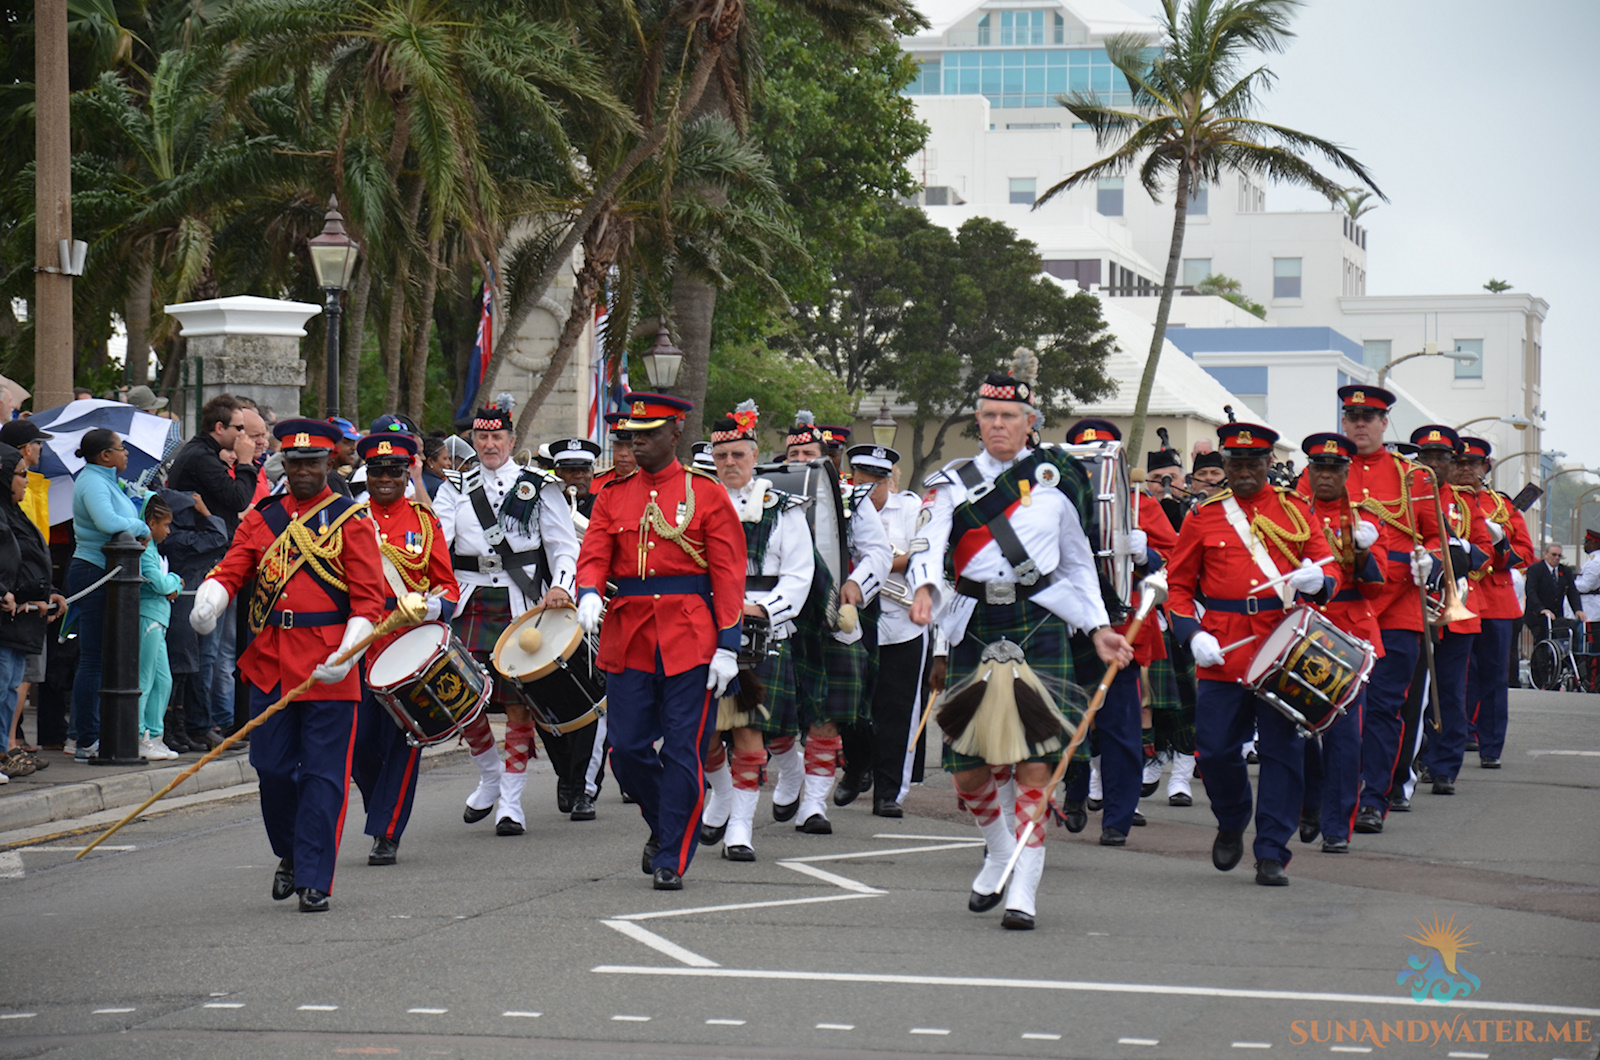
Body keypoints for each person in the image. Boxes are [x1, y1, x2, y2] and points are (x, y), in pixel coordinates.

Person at [908, 371, 1134, 929]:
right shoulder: (950, 484)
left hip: (1042, 621)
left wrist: (1099, 626)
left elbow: (1078, 565)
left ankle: (1024, 889)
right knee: (966, 769)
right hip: (974, 620)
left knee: (1038, 767)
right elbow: (927, 546)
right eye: (988, 416)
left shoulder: (1057, 483)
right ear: (978, 421)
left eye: (1009, 416)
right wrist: (923, 590)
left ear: (1030, 422)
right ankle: (1001, 847)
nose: (998, 425)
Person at [189, 418, 386, 913]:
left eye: (312, 463)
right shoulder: (263, 517)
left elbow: (369, 603)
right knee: (271, 769)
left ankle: (315, 877)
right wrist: (210, 600)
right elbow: (232, 567)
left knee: (323, 776)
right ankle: (293, 853)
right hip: (272, 660)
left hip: (329, 663)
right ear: (284, 464)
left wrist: (348, 654)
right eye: (294, 462)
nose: (302, 471)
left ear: (329, 464)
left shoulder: (352, 521)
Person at [574, 392, 745, 890]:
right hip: (629, 631)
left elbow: (729, 573)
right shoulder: (612, 493)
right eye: (630, 437)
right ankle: (665, 824)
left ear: (675, 433)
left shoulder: (706, 493)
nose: (636, 445)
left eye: (647, 435)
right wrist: (587, 591)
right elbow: (595, 551)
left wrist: (728, 644)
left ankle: (671, 853)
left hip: (691, 633)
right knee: (626, 749)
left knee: (682, 752)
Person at [1166, 421, 1334, 887]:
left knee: (1282, 753)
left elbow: (1327, 566)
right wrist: (1190, 633)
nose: (1244, 471)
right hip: (1223, 647)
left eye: (1253, 463)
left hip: (1283, 644)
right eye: (1235, 463)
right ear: (1224, 465)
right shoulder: (1204, 515)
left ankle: (1271, 849)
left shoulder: (1296, 510)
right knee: (1216, 750)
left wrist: (1318, 582)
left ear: (1267, 465)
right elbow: (1177, 586)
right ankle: (1232, 817)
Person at [434, 404, 581, 832]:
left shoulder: (539, 486)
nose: (489, 445)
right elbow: (438, 543)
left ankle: (511, 804)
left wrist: (563, 586)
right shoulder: (455, 486)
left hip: (522, 604)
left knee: (520, 707)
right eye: (482, 438)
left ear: (511, 441)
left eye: (497, 438)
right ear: (474, 441)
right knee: (466, 700)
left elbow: (562, 545)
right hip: (469, 600)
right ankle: (490, 775)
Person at [1321, 386, 1443, 836]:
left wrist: (1428, 557)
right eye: (1352, 415)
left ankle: (1374, 798)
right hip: (1342, 606)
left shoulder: (1415, 479)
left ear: (1384, 422)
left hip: (1399, 612)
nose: (1359, 424)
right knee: (1332, 707)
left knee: (1384, 711)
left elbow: (1434, 536)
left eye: (1369, 416)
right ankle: (1334, 793)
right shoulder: (1325, 469)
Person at [1054, 420, 1177, 847]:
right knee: (1067, 719)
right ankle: (1073, 796)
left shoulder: (1139, 503)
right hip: (1061, 626)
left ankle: (1118, 819)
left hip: (1122, 628)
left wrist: (1148, 554)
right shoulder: (1046, 497)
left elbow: (1175, 567)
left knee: (1121, 728)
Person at [700, 403, 814, 859]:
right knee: (704, 731)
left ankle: (741, 827)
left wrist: (759, 611)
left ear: (754, 456)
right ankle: (722, 794)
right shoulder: (697, 505)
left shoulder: (783, 508)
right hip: (705, 627)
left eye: (738, 455)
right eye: (722, 455)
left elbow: (799, 575)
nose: (730, 463)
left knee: (749, 732)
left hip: (763, 629)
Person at [349, 431, 461, 866]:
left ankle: (387, 830)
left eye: (394, 472)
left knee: (402, 741)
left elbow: (447, 585)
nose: (385, 479)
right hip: (361, 644)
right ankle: (379, 802)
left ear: (406, 473)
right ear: (366, 474)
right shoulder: (349, 519)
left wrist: (430, 606)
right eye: (377, 471)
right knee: (357, 744)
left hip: (408, 648)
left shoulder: (423, 521)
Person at [784, 412, 891, 833]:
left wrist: (855, 584)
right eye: (794, 452)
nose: (801, 459)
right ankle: (791, 772)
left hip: (832, 614)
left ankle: (814, 804)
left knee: (827, 713)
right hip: (781, 615)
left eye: (809, 452)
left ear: (827, 458)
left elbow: (879, 554)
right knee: (773, 714)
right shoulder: (768, 493)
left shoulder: (850, 496)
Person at [1294, 433, 1383, 853]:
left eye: (1334, 469)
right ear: (1308, 471)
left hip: (1349, 630)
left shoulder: (1363, 517)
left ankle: (1336, 826)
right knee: (1299, 731)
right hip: (1301, 628)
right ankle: (1310, 803)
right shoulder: (1289, 512)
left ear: (1348, 473)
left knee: (1346, 738)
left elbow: (1374, 587)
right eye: (1318, 468)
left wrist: (1365, 553)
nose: (1325, 475)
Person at [168, 395, 259, 744]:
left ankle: (197, 723)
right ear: (219, 428)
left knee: (207, 649)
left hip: (211, 555)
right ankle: (197, 724)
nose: (243, 437)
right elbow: (237, 499)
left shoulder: (205, 455)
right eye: (239, 429)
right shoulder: (201, 458)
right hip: (199, 559)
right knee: (202, 648)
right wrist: (247, 464)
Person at [847, 442, 931, 818]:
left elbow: (925, 553)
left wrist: (883, 561)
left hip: (902, 623)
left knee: (896, 711)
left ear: (890, 482)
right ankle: (857, 764)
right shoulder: (842, 505)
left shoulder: (911, 508)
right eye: (863, 481)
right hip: (854, 620)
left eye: (878, 482)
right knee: (851, 707)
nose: (871, 490)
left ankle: (887, 792)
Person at [67, 429, 152, 761]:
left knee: (106, 658)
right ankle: (85, 737)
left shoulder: (106, 481)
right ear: (105, 456)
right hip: (94, 570)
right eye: (121, 449)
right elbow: (108, 521)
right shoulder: (92, 482)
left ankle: (95, 731)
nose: (126, 454)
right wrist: (142, 527)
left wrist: (135, 523)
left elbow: (123, 519)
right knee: (93, 659)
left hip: (111, 572)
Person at [1456, 437, 1531, 774]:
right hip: (1458, 597)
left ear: (1485, 468)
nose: (1466, 469)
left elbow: (1526, 554)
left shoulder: (1502, 507)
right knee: (1455, 676)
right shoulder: (1442, 502)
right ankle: (1455, 741)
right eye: (1460, 463)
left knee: (1493, 678)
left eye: (1473, 464)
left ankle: (1490, 745)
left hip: (1496, 601)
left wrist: (1500, 542)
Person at [0, 443, 64, 779]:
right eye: (20, 474)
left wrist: (49, 592)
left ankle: (4, 750)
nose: (26, 481)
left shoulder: (15, 511)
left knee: (11, 686)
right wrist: (8, 594)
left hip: (22, 618)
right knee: (2, 685)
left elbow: (30, 558)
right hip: (8, 615)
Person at [158, 489, 229, 754]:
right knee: (176, 672)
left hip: (187, 608)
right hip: (179, 613)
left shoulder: (179, 535)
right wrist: (206, 512)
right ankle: (170, 729)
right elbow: (219, 537)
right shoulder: (178, 538)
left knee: (185, 673)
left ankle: (179, 728)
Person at [133, 493, 183, 761]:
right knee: (145, 679)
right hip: (148, 618)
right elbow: (161, 585)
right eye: (165, 525)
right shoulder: (146, 551)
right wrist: (175, 580)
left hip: (158, 619)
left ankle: (154, 735)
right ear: (151, 523)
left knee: (163, 680)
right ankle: (139, 736)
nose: (168, 530)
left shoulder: (152, 551)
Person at [1524, 542, 1584, 642]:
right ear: (1545, 554)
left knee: (1560, 641)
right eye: (1554, 554)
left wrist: (1578, 609)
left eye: (1559, 555)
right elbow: (1531, 592)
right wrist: (1541, 609)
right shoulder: (1535, 569)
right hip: (1538, 616)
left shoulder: (1565, 571)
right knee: (1542, 642)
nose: (1557, 558)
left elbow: (1572, 592)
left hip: (1556, 616)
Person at [549, 437, 601, 519]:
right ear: (557, 472)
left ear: (592, 473)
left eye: (584, 470)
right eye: (571, 470)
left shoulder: (602, 505)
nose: (578, 476)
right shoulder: (547, 505)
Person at [590, 413, 636, 492]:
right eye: (618, 446)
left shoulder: (650, 482)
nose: (623, 453)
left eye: (630, 446)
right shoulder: (596, 483)